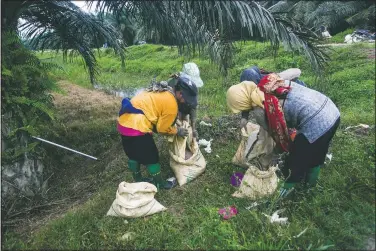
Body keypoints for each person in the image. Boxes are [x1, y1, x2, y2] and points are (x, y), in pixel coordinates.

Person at [226, 73, 340, 198]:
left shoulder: (260, 110)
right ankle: (310, 188)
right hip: (331, 111)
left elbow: (275, 135)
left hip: (316, 123)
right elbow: (296, 72)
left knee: (295, 162)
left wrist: (274, 152)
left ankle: (284, 198)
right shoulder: (270, 82)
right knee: (317, 153)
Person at [117, 78, 198, 190]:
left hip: (124, 122)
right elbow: (162, 128)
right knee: (152, 157)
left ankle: (138, 179)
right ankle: (160, 184)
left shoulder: (164, 91)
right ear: (180, 94)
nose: (187, 102)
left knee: (132, 154)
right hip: (138, 126)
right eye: (187, 99)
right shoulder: (172, 104)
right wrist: (177, 131)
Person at [167, 62, 204, 139]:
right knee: (176, 136)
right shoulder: (172, 84)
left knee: (187, 130)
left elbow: (193, 106)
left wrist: (194, 128)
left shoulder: (193, 87)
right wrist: (176, 129)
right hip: (172, 112)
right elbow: (168, 110)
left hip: (184, 110)